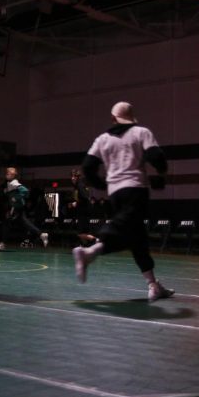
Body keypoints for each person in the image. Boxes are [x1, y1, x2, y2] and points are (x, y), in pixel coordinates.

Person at [71, 102, 173, 302]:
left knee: (137, 239)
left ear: (112, 118)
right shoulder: (141, 132)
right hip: (136, 189)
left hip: (115, 193)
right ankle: (90, 252)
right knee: (125, 228)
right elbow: (157, 157)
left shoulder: (102, 139)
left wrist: (102, 184)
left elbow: (88, 167)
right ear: (132, 117)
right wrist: (161, 174)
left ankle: (152, 284)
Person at [0, 166, 48, 250]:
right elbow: (10, 193)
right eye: (6, 173)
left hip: (16, 207)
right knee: (25, 223)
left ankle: (2, 244)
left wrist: (16, 198)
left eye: (8, 173)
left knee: (7, 223)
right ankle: (41, 235)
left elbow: (25, 191)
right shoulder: (9, 183)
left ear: (13, 175)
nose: (6, 175)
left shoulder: (14, 183)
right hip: (18, 207)